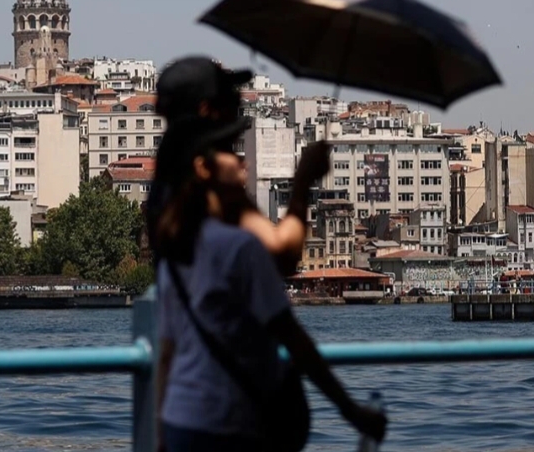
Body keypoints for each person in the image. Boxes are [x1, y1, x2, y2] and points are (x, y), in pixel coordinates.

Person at [153, 116, 386, 452]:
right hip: (232, 424)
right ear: (203, 168)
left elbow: (167, 355)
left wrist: (162, 436)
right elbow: (292, 336)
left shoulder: (175, 250)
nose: (242, 159)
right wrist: (350, 410)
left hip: (181, 422)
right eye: (230, 152)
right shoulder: (240, 247)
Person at [150, 55, 325, 276]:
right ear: (206, 109)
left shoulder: (167, 176)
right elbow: (281, 252)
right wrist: (303, 180)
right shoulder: (210, 182)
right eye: (226, 94)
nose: (236, 99)